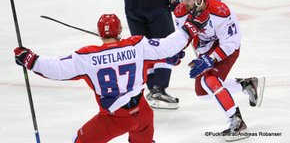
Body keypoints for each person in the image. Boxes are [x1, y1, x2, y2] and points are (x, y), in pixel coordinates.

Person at [13, 13, 199, 143]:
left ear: (100, 33)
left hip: (113, 118)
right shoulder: (137, 46)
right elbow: (168, 46)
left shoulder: (88, 57)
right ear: (119, 30)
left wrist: (31, 60)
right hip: (142, 113)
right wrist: (187, 31)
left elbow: (57, 68)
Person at [174, 0, 266, 142]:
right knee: (203, 93)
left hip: (226, 47)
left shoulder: (221, 12)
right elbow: (186, 34)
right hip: (204, 47)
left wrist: (210, 59)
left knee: (210, 81)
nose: (182, 2)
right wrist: (177, 50)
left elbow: (232, 42)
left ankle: (237, 122)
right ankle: (245, 84)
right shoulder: (181, 11)